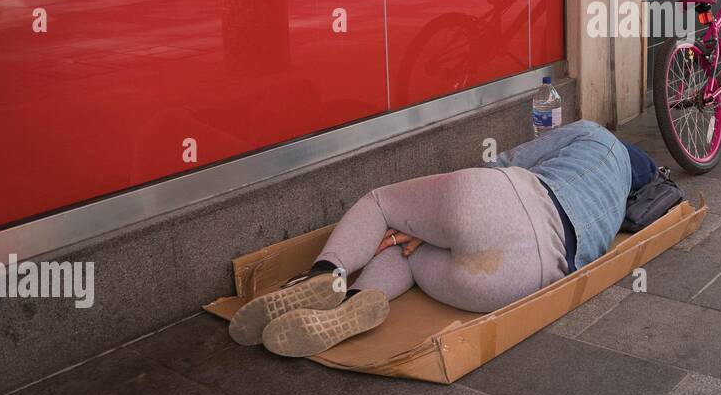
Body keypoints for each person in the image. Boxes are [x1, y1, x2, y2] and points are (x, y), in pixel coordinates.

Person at [229, 120, 660, 357]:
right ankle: (360, 299)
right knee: (414, 254)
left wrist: (428, 218)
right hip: (519, 277)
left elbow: (507, 162)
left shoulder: (593, 134)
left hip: (506, 201)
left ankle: (327, 275)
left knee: (381, 204)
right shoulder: (618, 201)